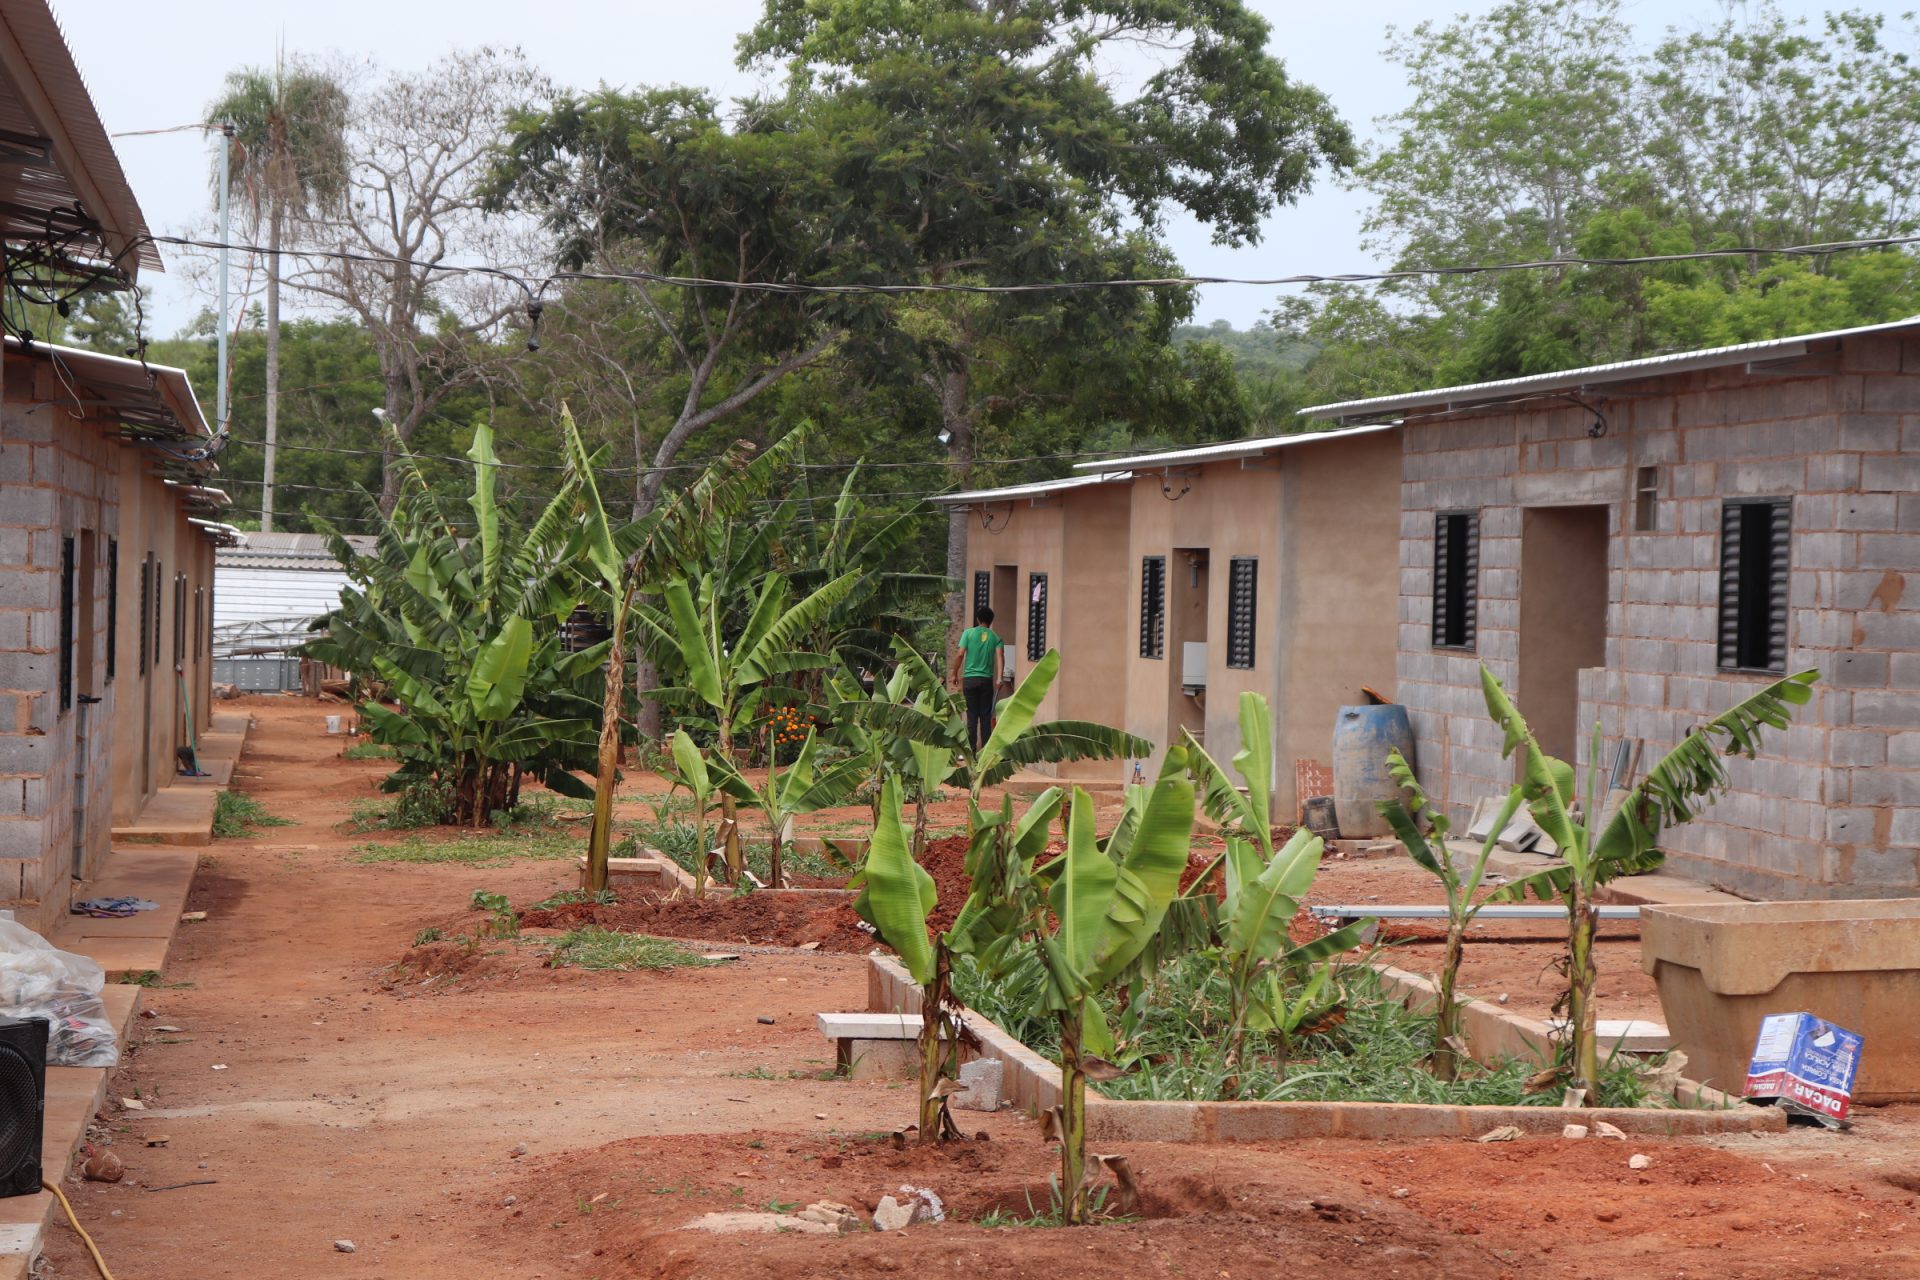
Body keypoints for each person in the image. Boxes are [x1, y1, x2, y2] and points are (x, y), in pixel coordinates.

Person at [949, 606, 1009, 752]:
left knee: (971, 717)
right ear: (990, 621)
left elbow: (960, 654)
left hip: (970, 680)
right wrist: (999, 678)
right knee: (985, 717)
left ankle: (971, 752)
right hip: (986, 681)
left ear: (977, 619)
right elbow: (1000, 657)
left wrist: (954, 673)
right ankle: (985, 752)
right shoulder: (996, 637)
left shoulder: (968, 634)